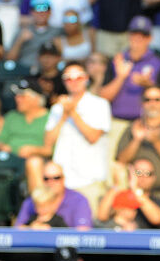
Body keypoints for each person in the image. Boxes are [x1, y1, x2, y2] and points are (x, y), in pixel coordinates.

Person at [43, 62, 112, 215]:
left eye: (78, 77)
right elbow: (48, 142)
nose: (74, 82)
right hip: (61, 181)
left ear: (86, 79)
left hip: (90, 179)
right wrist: (63, 116)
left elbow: (93, 137)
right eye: (68, 78)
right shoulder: (57, 108)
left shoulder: (100, 104)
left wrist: (72, 113)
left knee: (88, 230)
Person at [101, 16, 160, 159]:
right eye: (134, 34)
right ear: (129, 35)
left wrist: (149, 85)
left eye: (143, 35)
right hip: (117, 122)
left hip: (145, 124)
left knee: (140, 169)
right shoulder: (117, 60)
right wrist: (121, 77)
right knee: (115, 166)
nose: (138, 38)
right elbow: (103, 97)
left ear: (149, 38)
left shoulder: (159, 62)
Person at [116, 85, 160, 207]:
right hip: (133, 194)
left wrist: (156, 141)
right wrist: (136, 140)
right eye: (147, 100)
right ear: (142, 103)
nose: (152, 104)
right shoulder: (132, 128)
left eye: (157, 100)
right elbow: (122, 161)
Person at [0, 79, 49, 192]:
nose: (17, 99)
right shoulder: (11, 116)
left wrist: (34, 150)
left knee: (34, 162)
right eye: (17, 96)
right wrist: (14, 149)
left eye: (22, 96)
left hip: (41, 164)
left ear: (36, 98)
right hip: (11, 163)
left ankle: (40, 205)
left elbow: (53, 149)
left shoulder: (50, 118)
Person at [15, 160, 93, 229]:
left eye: (56, 178)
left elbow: (83, 231)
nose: (51, 182)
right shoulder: (33, 200)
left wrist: (51, 232)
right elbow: (18, 229)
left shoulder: (78, 200)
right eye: (46, 178)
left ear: (63, 179)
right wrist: (32, 229)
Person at [97, 159, 160, 230]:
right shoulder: (121, 197)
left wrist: (136, 190)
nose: (143, 176)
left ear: (154, 178)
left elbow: (157, 219)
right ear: (130, 175)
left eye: (148, 173)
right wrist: (118, 185)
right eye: (138, 172)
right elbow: (102, 216)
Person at [5, 0, 62, 72]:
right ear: (31, 12)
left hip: (48, 72)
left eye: (45, 9)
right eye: (37, 9)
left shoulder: (57, 32)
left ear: (50, 12)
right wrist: (20, 41)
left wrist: (58, 47)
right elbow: (9, 58)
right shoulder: (23, 31)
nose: (41, 12)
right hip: (24, 71)